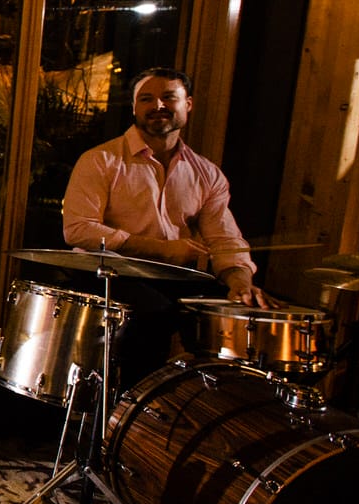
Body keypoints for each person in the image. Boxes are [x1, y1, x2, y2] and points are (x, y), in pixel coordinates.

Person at [61, 66, 277, 385]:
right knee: (154, 314)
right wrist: (161, 249)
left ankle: (206, 402)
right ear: (134, 108)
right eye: (146, 99)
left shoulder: (207, 174)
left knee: (246, 313)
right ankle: (131, 410)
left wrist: (240, 281)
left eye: (168, 97)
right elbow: (78, 229)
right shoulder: (100, 160)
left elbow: (225, 241)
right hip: (108, 271)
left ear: (187, 104)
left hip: (173, 277)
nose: (157, 106)